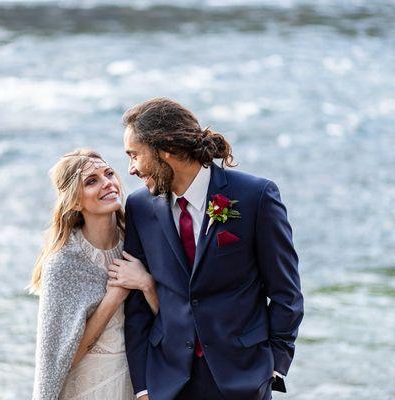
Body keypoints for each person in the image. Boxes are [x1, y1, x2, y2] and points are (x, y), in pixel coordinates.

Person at [118, 98, 304, 400]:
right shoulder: (139, 208)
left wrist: (274, 366)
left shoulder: (255, 196)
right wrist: (142, 387)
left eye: (135, 155)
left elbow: (286, 292)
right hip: (167, 381)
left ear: (166, 148)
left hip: (243, 377)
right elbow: (137, 310)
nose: (131, 169)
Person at [29, 149, 158, 400]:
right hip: (89, 388)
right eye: (92, 181)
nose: (107, 183)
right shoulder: (64, 263)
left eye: (109, 173)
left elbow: (172, 320)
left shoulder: (138, 241)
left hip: (139, 383)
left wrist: (146, 284)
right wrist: (113, 298)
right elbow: (61, 357)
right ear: (75, 202)